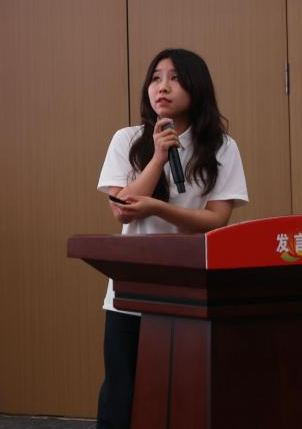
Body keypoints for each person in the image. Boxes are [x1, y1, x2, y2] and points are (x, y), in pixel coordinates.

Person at [94, 48, 249, 429]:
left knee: (187, 393)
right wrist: (158, 158)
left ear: (197, 87)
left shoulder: (222, 147)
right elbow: (123, 209)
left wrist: (159, 209)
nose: (162, 87)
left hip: (191, 287)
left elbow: (216, 220)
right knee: (122, 393)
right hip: (131, 289)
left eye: (175, 78)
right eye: (155, 78)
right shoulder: (127, 139)